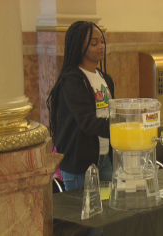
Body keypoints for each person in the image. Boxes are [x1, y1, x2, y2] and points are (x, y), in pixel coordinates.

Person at [47, 21, 115, 191]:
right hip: (81, 164)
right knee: (84, 215)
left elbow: (111, 112)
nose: (100, 46)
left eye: (101, 42)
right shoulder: (72, 80)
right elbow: (87, 122)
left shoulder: (105, 79)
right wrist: (121, 125)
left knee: (108, 215)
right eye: (94, 43)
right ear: (78, 46)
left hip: (105, 158)